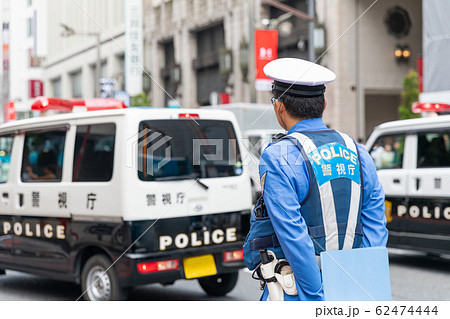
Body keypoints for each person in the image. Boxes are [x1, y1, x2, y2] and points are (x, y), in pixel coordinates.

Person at [243, 58, 388, 301]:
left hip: (299, 291)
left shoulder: (278, 155)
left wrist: (315, 297)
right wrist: (364, 282)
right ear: (324, 104)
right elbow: (376, 227)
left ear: (279, 107)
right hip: (358, 288)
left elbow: (293, 236)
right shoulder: (359, 152)